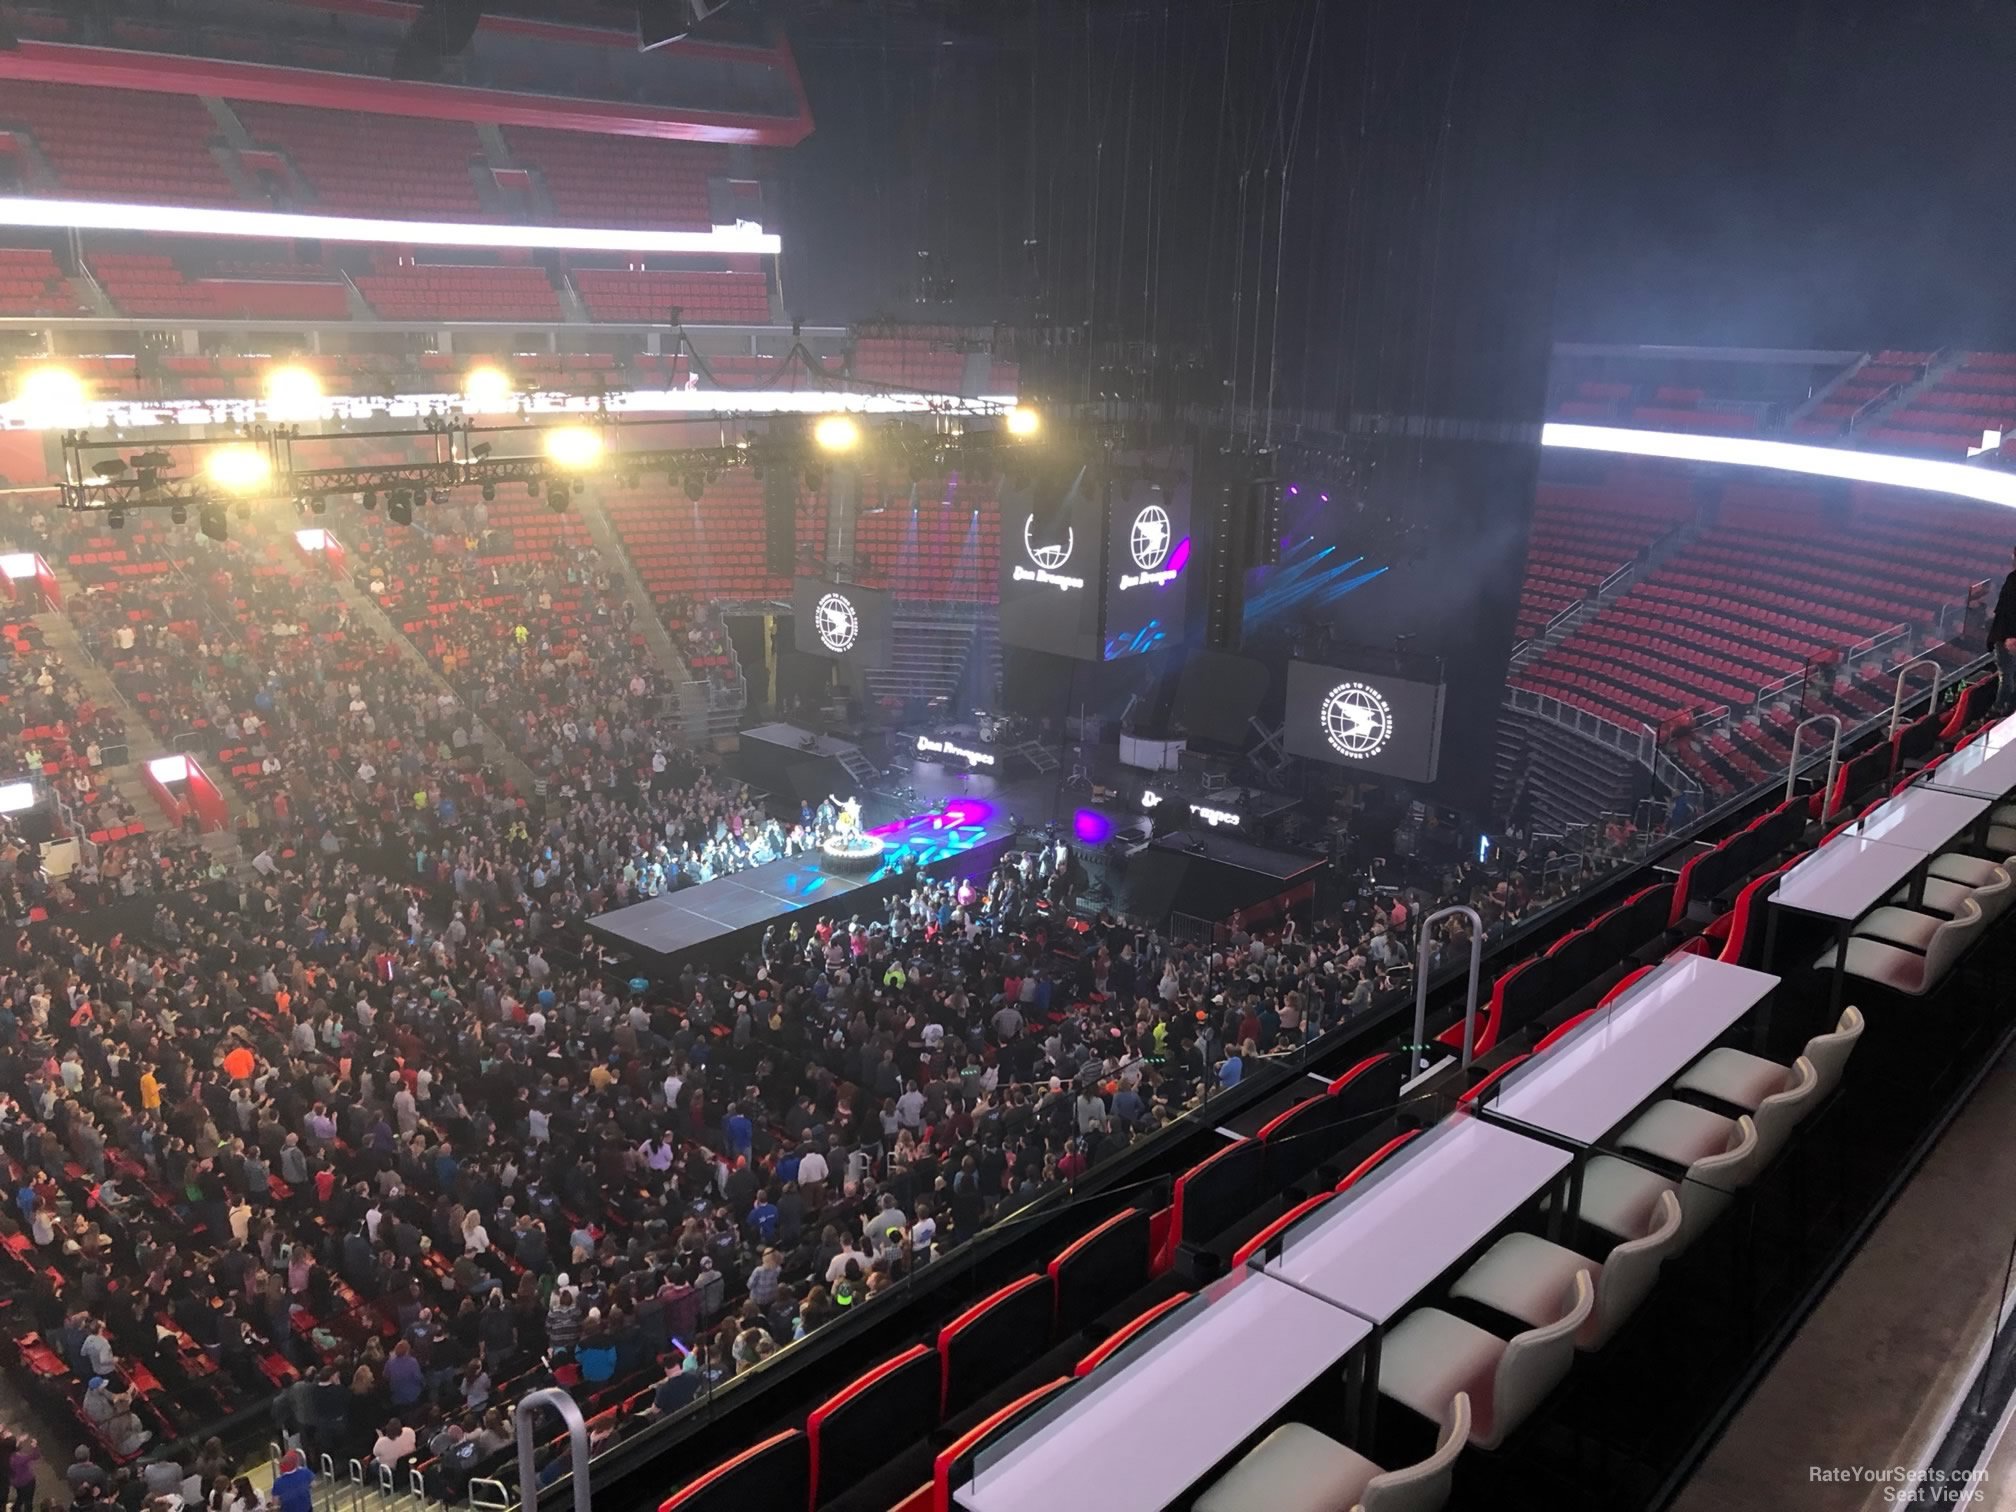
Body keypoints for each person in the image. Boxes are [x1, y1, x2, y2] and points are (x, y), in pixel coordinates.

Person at [1993, 543, 2016, 714]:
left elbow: (2009, 610)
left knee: (2006, 675)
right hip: (2006, 635)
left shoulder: (2013, 579)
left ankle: (1999, 709)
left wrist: (2011, 635)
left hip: (2008, 637)